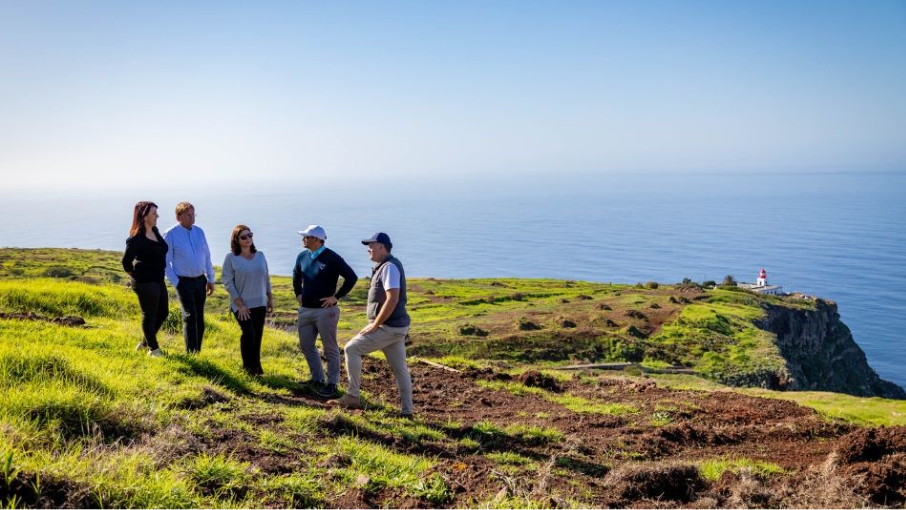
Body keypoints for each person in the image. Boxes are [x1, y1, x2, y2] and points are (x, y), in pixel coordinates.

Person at [332, 232, 412, 416]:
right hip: (396, 327)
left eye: (371, 245)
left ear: (382, 247)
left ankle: (352, 396)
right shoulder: (385, 266)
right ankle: (407, 411)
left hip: (388, 327)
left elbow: (392, 298)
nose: (368, 249)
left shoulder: (389, 267)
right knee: (400, 370)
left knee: (352, 348)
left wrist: (376, 324)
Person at [292, 225, 358, 398]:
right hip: (306, 310)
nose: (303, 239)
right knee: (306, 345)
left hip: (326, 312)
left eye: (306, 237)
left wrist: (336, 297)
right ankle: (317, 379)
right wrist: (298, 293)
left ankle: (332, 384)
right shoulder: (302, 256)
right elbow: (296, 275)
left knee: (330, 349)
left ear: (315, 239)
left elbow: (351, 277)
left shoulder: (332, 257)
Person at [222, 225, 273, 376]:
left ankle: (257, 368)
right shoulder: (231, 258)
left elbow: (266, 278)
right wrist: (240, 305)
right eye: (244, 237)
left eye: (250, 235)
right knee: (249, 333)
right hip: (241, 305)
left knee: (257, 335)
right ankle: (248, 368)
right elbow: (228, 283)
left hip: (260, 303)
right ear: (236, 240)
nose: (248, 239)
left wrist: (270, 298)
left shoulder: (260, 255)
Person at [164, 202, 215, 354]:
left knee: (199, 317)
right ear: (178, 216)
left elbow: (206, 256)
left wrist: (210, 278)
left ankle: (197, 352)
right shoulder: (171, 234)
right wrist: (176, 282)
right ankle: (191, 353)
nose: (192, 217)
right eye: (189, 215)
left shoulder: (199, 232)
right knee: (190, 316)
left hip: (200, 280)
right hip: (183, 282)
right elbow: (165, 262)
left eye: (194, 214)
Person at [121, 201, 169, 357]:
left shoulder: (154, 230)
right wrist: (135, 276)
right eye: (154, 213)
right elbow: (126, 262)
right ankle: (153, 350)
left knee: (163, 312)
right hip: (145, 281)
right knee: (149, 314)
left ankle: (144, 343)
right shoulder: (136, 238)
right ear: (144, 215)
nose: (157, 216)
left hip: (158, 279)